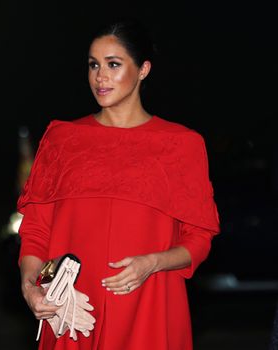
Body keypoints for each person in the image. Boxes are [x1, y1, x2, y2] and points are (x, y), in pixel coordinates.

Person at [17, 18, 220, 350]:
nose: (100, 76)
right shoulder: (62, 139)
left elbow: (198, 240)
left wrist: (151, 263)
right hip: (73, 307)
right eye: (94, 65)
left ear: (143, 70)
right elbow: (36, 231)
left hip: (149, 303)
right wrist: (30, 288)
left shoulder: (181, 144)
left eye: (113, 64)